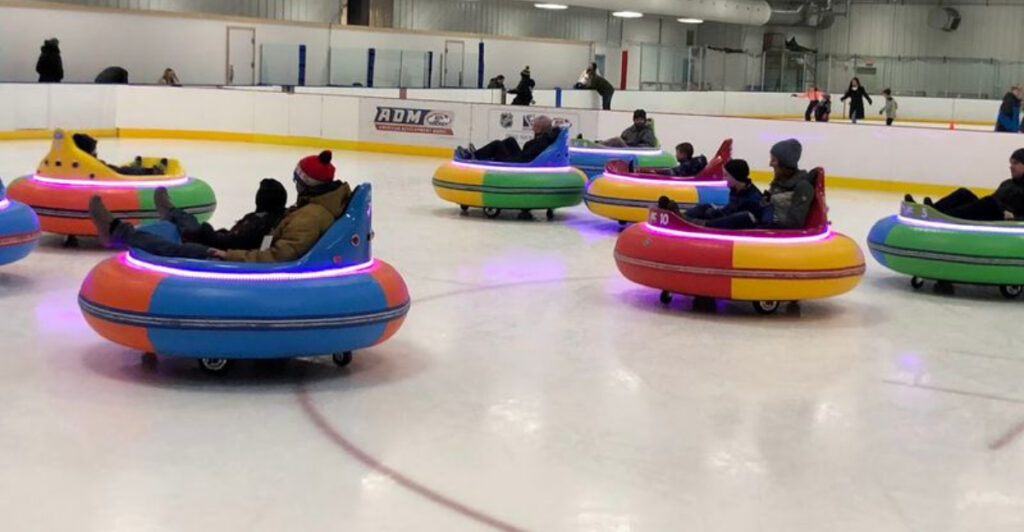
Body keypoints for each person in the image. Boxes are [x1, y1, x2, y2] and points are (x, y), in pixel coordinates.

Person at [89, 150, 352, 262]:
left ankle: (117, 232)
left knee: (177, 248)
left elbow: (279, 257)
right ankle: (171, 214)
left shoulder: (310, 216)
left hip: (241, 262)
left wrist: (228, 255)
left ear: (306, 183)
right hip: (246, 249)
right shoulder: (313, 208)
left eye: (297, 179)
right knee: (197, 231)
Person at [906, 149, 1024, 221]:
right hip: (992, 210)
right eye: (1011, 163)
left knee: (991, 202)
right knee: (964, 193)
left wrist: (1013, 217)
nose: (1011, 167)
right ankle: (930, 210)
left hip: (1004, 218)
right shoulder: (1007, 183)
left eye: (1016, 163)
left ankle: (942, 216)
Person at [658, 160, 763, 229]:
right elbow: (729, 209)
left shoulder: (753, 197)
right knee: (706, 207)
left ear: (735, 176)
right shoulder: (735, 190)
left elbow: (736, 218)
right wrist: (714, 212)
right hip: (727, 217)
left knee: (740, 216)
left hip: (739, 223)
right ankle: (681, 217)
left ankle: (696, 223)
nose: (724, 178)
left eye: (726, 175)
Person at [455, 115, 558, 163]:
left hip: (520, 162)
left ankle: (473, 156)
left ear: (540, 128)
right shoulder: (542, 137)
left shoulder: (542, 141)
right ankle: (481, 153)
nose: (532, 128)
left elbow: (528, 155)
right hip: (522, 157)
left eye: (535, 126)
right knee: (511, 140)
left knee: (497, 144)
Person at [72, 133, 167, 176]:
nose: (95, 153)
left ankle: (137, 168)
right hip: (107, 174)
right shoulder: (88, 164)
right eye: (93, 150)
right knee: (123, 171)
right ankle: (151, 171)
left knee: (119, 168)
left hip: (105, 169)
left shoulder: (83, 162)